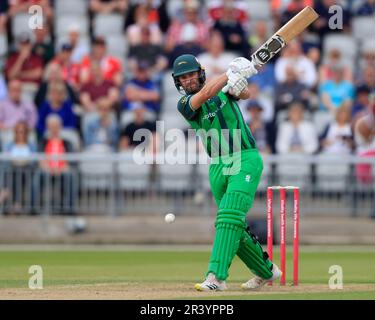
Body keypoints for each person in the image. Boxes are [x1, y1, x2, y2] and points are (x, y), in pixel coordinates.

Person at [172, 54, 281, 291]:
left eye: (191, 74)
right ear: (178, 82)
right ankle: (267, 271)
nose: (188, 80)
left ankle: (216, 277)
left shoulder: (222, 88)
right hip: (218, 165)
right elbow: (205, 95)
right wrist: (229, 73)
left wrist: (239, 85)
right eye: (183, 78)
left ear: (199, 73)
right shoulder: (184, 104)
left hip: (245, 158)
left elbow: (244, 95)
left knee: (229, 217)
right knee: (233, 224)